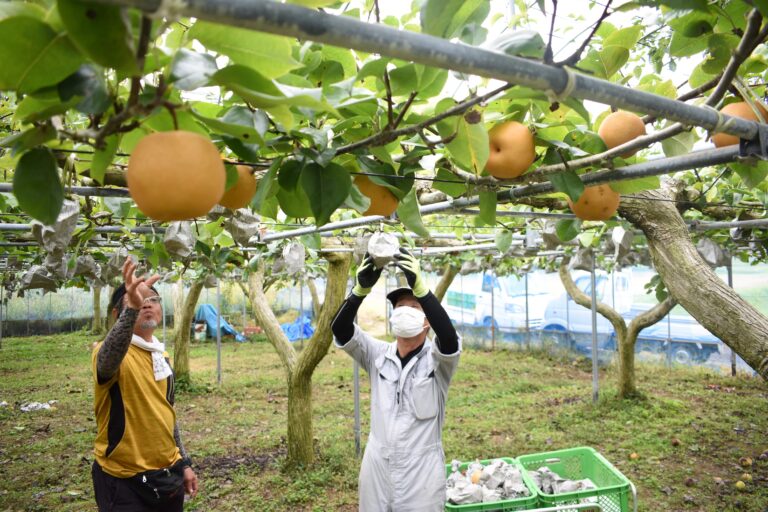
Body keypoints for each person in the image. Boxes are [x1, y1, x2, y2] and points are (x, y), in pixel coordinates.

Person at [331, 247, 461, 512]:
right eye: (400, 306)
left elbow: (449, 339)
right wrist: (359, 292)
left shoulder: (437, 363)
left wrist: (423, 291)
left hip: (420, 470)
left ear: (426, 321)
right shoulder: (377, 355)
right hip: (377, 464)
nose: (405, 310)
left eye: (414, 306)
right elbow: (341, 330)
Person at [91, 259, 198, 511]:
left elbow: (167, 412)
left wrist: (183, 462)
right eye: (138, 299)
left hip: (166, 474)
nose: (147, 302)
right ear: (119, 314)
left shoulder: (162, 355)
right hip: (122, 478)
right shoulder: (109, 353)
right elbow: (108, 361)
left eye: (153, 299)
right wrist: (131, 309)